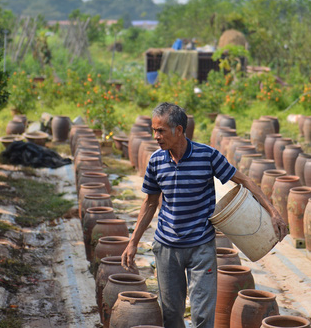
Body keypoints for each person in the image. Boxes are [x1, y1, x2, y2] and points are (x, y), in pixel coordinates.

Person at [122, 102, 287, 328]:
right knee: (171, 316)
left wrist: (274, 213)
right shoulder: (156, 161)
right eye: (154, 131)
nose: (156, 136)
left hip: (201, 247)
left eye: (160, 131)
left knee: (202, 316)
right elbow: (150, 203)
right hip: (167, 247)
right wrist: (133, 242)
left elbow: (245, 181)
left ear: (179, 130)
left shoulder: (207, 156)